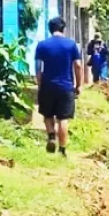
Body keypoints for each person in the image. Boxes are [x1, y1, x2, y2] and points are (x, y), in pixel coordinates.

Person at [33, 16, 84, 156]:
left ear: (50, 29)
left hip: (47, 85)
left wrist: (40, 84)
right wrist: (79, 85)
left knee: (47, 115)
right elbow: (78, 66)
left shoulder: (42, 45)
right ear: (63, 28)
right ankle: (62, 150)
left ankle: (50, 135)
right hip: (66, 87)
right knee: (63, 119)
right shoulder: (71, 45)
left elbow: (38, 67)